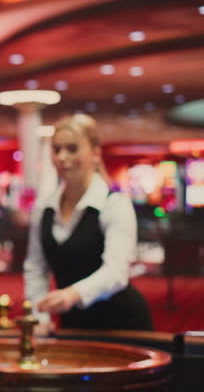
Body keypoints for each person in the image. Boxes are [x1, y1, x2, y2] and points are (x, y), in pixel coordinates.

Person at [23, 113, 152, 333]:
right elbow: (35, 268)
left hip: (121, 323)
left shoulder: (114, 204)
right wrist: (39, 315)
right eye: (57, 149)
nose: (62, 157)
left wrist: (73, 294)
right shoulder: (43, 209)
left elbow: (116, 272)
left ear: (95, 154)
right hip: (73, 324)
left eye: (72, 149)